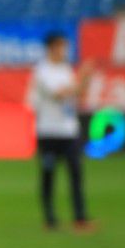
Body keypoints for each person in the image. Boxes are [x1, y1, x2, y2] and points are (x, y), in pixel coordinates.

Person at [29, 31, 96, 233]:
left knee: (76, 174)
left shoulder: (65, 69)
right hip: (48, 132)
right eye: (61, 46)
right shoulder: (42, 71)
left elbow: (76, 93)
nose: (64, 50)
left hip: (69, 131)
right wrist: (81, 78)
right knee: (48, 176)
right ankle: (50, 219)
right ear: (51, 48)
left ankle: (80, 218)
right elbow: (59, 94)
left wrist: (85, 79)